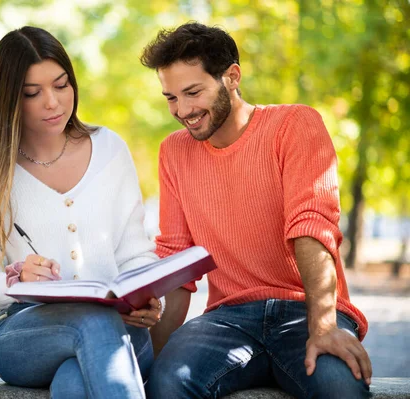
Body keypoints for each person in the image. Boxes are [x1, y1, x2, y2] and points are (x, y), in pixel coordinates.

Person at [140, 22, 372, 398]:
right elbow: (177, 262)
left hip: (305, 311)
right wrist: (145, 358)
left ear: (231, 77)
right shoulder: (174, 151)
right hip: (226, 321)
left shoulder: (293, 124)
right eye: (170, 97)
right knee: (168, 380)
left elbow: (311, 226)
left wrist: (325, 325)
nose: (182, 110)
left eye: (193, 92)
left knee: (340, 386)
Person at [0, 26, 162, 399]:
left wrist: (144, 297)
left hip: (122, 331)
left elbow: (134, 253)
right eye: (33, 93)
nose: (53, 102)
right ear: (8, 98)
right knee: (90, 324)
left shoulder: (110, 149)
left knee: (75, 384)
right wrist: (16, 281)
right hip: (25, 336)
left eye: (61, 85)